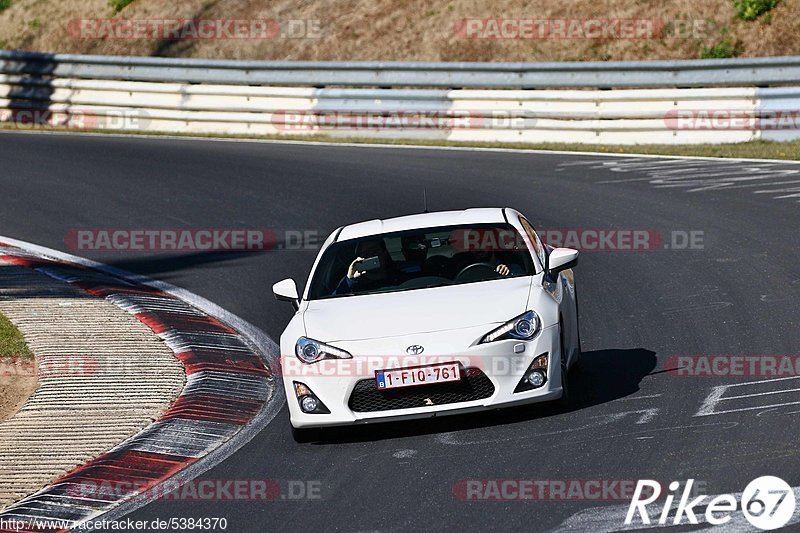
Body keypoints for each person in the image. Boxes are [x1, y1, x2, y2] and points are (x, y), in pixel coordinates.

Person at [334, 239, 403, 295]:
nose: (371, 256)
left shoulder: (400, 274)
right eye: (366, 253)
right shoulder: (353, 284)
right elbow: (332, 302)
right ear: (359, 258)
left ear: (384, 253)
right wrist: (350, 279)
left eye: (375, 251)